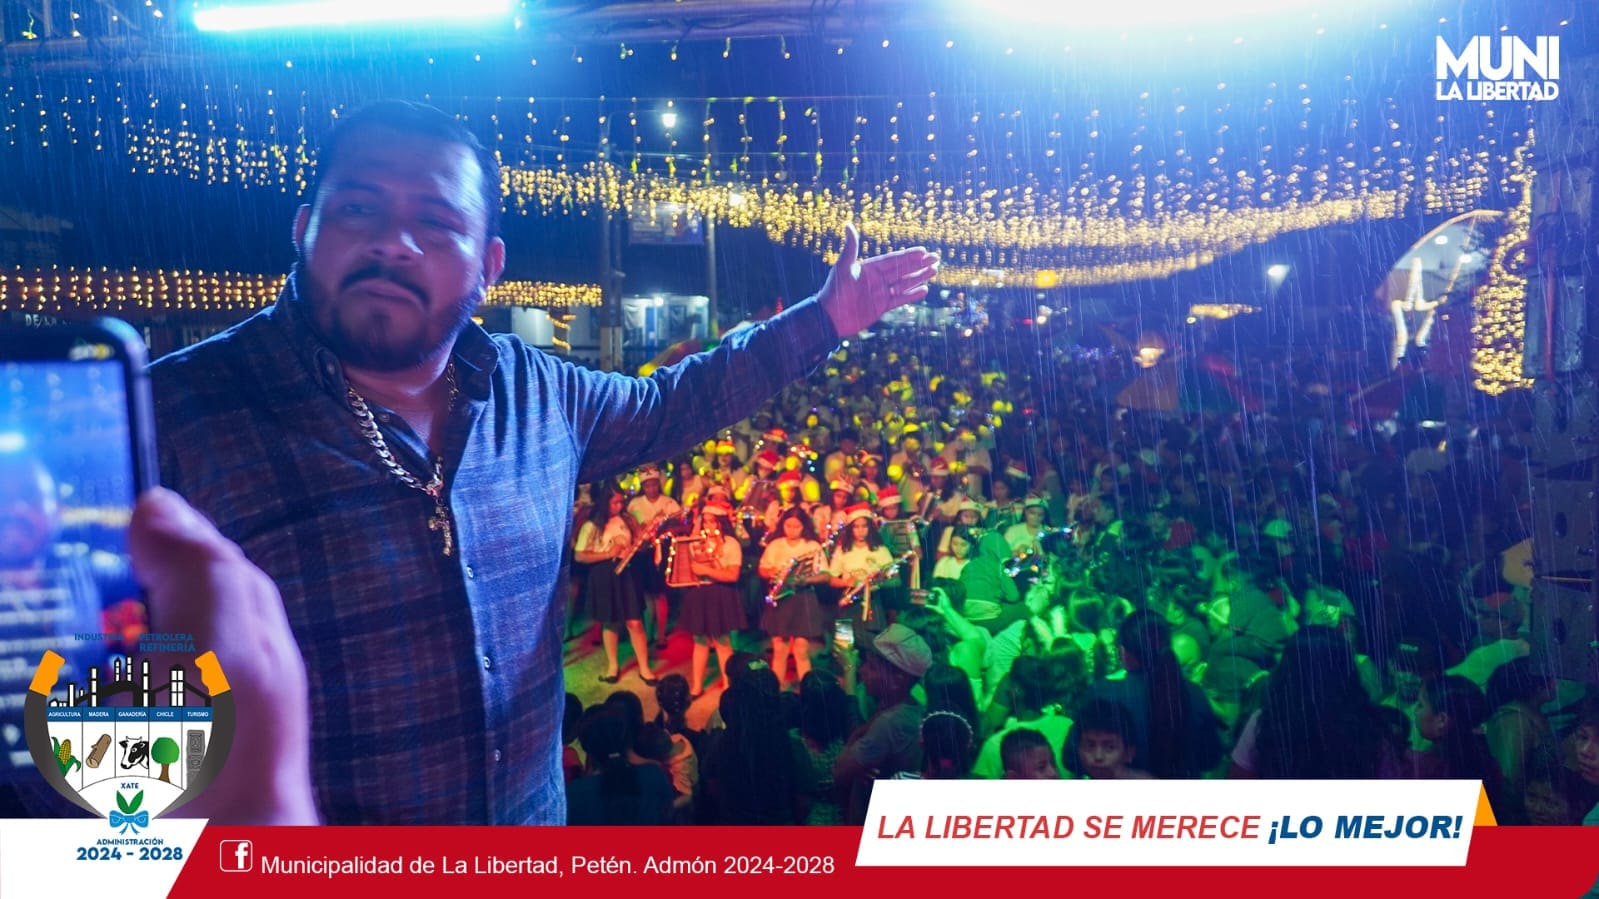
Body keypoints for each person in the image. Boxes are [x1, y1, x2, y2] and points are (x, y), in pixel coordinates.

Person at [148, 99, 938, 824]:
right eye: (358, 208)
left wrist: (825, 318)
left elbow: (675, 402)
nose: (394, 241)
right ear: (303, 228)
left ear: (489, 265)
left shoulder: (539, 391)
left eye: (436, 222)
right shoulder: (168, 422)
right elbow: (90, 766)